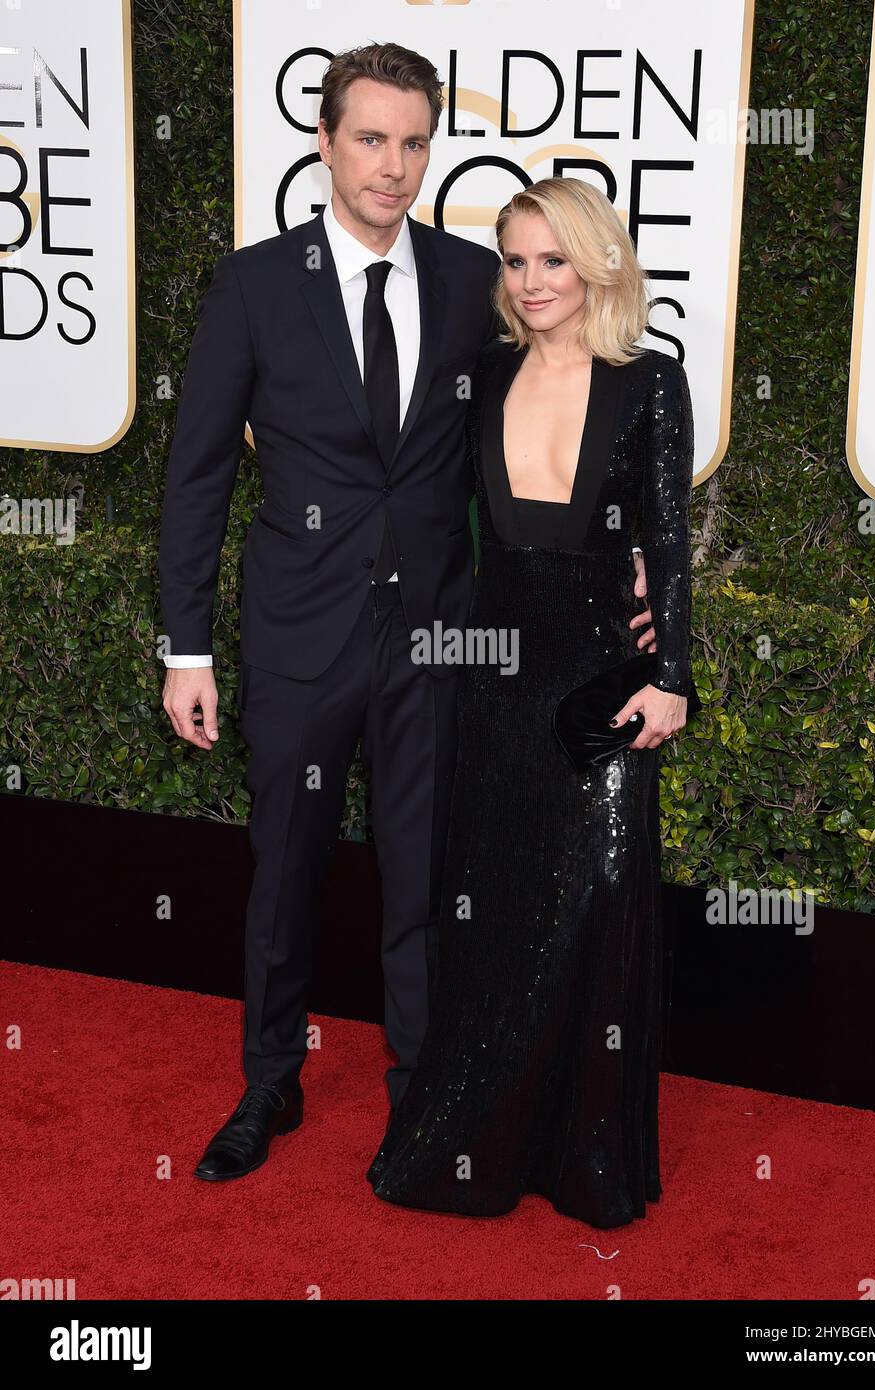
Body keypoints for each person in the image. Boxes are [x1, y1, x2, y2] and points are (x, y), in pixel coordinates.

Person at [159, 42, 656, 1184]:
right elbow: (195, 479)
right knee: (283, 866)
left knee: (427, 875)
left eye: (414, 142)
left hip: (439, 636)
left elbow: (548, 415)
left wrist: (623, 551)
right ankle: (269, 1081)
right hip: (299, 631)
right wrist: (186, 647)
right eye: (370, 139)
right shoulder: (251, 285)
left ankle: (422, 1089)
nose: (393, 165)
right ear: (327, 143)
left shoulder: (462, 278)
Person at [367, 177, 695, 1230]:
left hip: (600, 669)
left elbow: (666, 540)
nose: (531, 280)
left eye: (552, 258)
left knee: (595, 895)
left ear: (596, 261)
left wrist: (672, 675)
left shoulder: (651, 383)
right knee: (499, 901)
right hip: (498, 671)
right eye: (513, 260)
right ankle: (481, 1138)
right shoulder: (485, 371)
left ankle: (583, 1151)